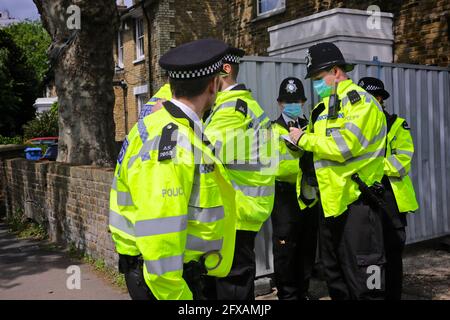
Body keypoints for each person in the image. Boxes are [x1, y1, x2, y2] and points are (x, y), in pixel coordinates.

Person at [108, 39, 238, 300]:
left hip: (164, 275)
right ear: (214, 85)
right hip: (167, 284)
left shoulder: (156, 123)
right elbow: (160, 231)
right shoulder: (174, 142)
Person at [289, 42, 388, 300]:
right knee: (336, 278)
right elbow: (318, 151)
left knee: (366, 281)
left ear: (336, 71)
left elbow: (343, 147)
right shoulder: (321, 109)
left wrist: (303, 140)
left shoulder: (361, 103)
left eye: (318, 78)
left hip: (357, 203)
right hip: (330, 203)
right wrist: (298, 148)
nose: (315, 84)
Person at [204, 46, 275, 300]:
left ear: (224, 71)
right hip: (244, 209)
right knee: (235, 284)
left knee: (232, 288)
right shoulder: (245, 105)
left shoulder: (232, 109)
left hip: (237, 211)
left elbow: (202, 151)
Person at [358, 77, 419, 300]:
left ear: (380, 98)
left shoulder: (396, 124)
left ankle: (392, 296)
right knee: (369, 257)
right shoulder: (355, 127)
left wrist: (374, 167)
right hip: (363, 197)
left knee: (392, 255)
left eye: (372, 97)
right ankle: (375, 295)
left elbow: (402, 160)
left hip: (390, 198)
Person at [271, 77, 319, 300]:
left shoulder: (312, 128)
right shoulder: (271, 129)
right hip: (285, 199)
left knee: (307, 249)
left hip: (309, 198)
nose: (293, 104)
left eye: (298, 100)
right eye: (288, 101)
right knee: (285, 251)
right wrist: (300, 155)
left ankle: (304, 291)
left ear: (304, 102)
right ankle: (287, 295)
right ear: (280, 103)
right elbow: (273, 167)